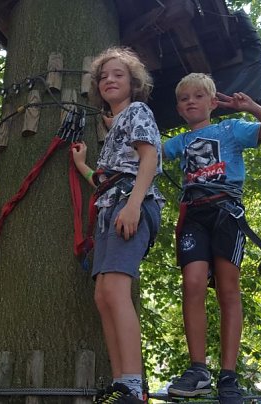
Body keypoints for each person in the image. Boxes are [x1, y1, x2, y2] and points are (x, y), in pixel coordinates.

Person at [162, 73, 261, 404]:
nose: (191, 101)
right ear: (178, 107)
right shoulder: (177, 142)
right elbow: (146, 155)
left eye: (198, 96)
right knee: (193, 284)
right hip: (194, 215)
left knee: (229, 290)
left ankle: (228, 376)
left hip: (226, 213)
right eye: (184, 98)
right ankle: (198, 369)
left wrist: (251, 106)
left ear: (213, 103)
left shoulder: (232, 129)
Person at [71, 46, 164, 404]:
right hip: (112, 206)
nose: (109, 79)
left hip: (130, 204)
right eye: (103, 76)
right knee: (102, 294)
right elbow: (102, 181)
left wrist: (135, 205)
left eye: (118, 74)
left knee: (116, 291)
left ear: (133, 83)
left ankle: (133, 385)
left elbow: (150, 156)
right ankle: (121, 382)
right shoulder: (114, 130)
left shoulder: (138, 111)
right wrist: (82, 164)